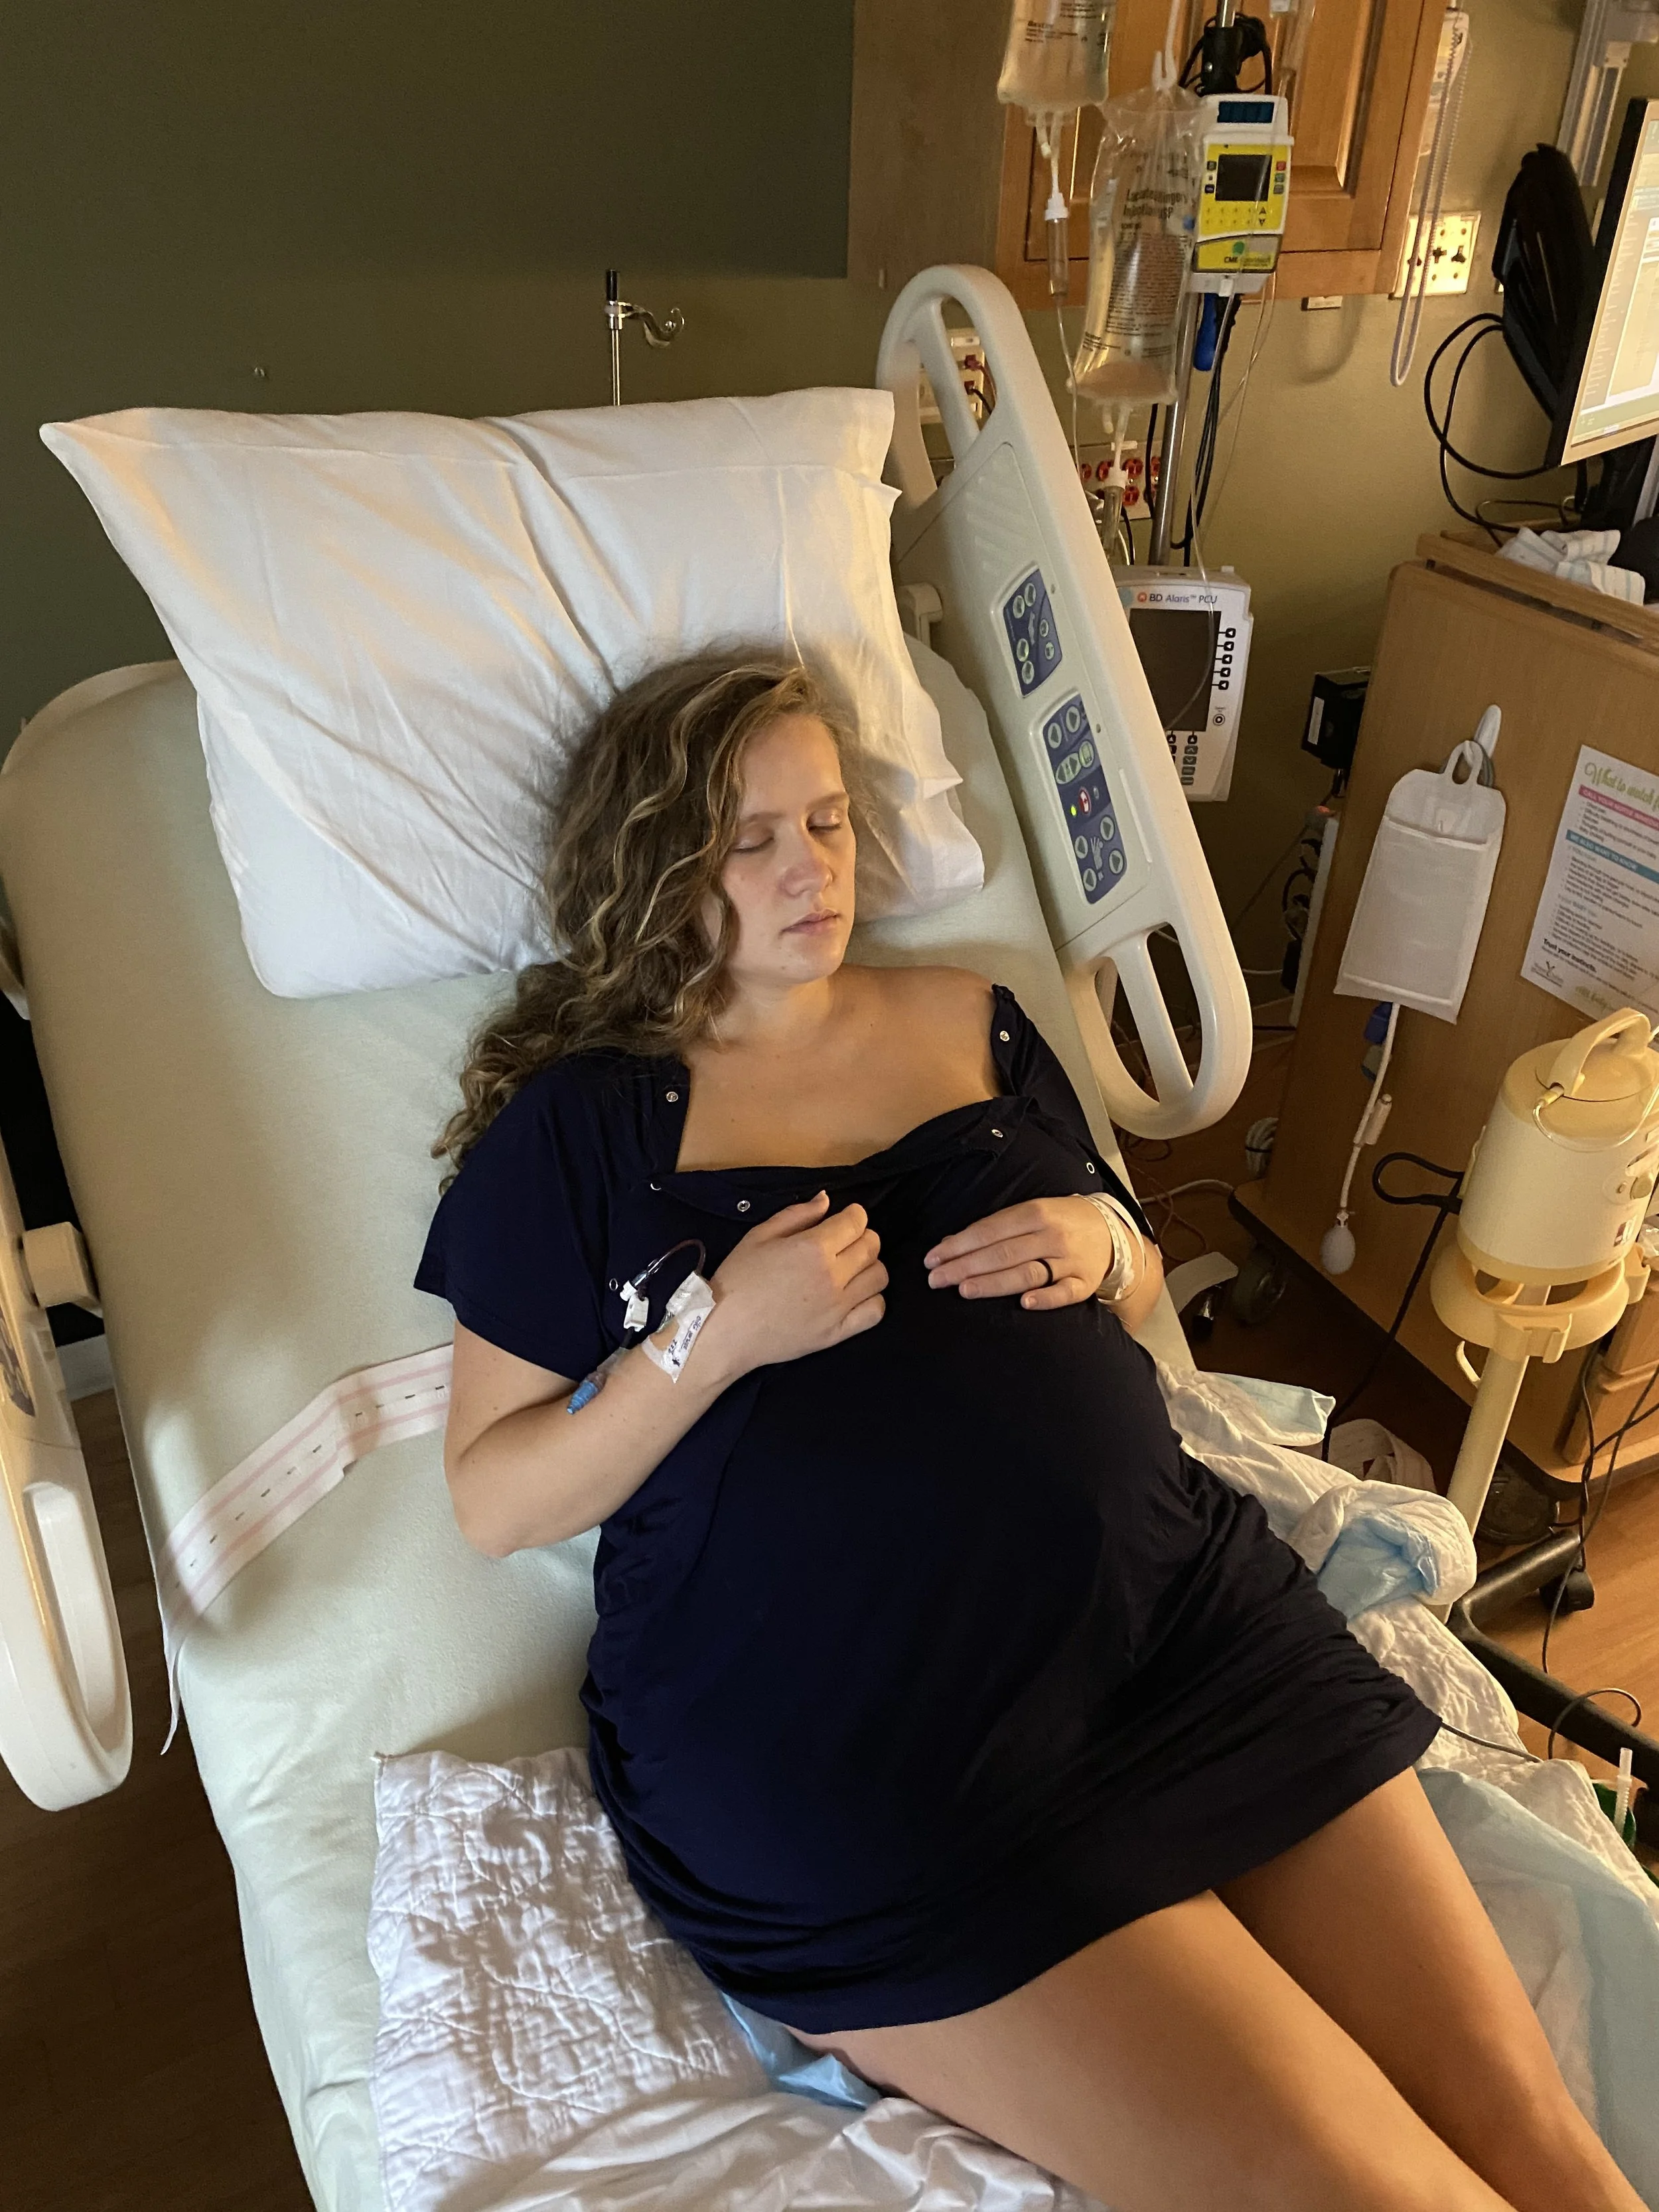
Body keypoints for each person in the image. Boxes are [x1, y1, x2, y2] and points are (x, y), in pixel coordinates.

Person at [417, 654, 1641, 2212]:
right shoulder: (580, 1130)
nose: (813, 871)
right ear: (653, 865)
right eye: (751, 840)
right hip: (867, 1761)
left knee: (1537, 2139)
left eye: (830, 821)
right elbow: (492, 1495)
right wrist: (714, 1335)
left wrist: (1106, 1244)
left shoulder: (972, 1020)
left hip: (1175, 1634)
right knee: (1382, 2189)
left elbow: (1133, 1293)